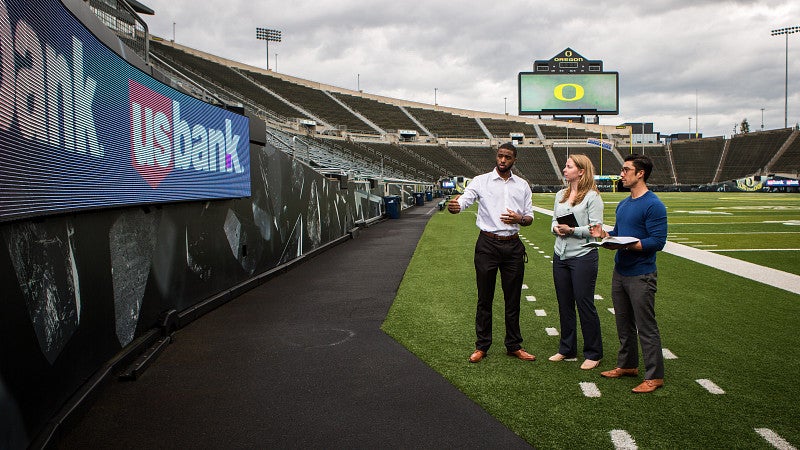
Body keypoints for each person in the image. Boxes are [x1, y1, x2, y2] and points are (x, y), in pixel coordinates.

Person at [447, 143, 536, 364]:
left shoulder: (522, 185)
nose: (503, 160)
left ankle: (513, 345)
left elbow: (529, 217)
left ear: (514, 159)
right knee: (484, 298)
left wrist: (519, 219)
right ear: (496, 157)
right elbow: (465, 199)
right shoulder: (481, 181)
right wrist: (456, 206)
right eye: (500, 156)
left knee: (512, 298)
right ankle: (482, 345)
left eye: (507, 157)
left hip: (513, 245)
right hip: (488, 244)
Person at [590, 154, 668, 394]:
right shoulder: (624, 204)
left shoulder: (654, 204)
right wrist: (606, 236)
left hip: (641, 274)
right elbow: (621, 233)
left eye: (626, 170)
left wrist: (625, 245)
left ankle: (654, 376)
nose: (621, 174)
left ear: (640, 173)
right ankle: (627, 365)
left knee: (646, 326)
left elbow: (657, 241)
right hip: (620, 271)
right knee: (623, 324)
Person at [549, 154, 604, 370]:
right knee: (564, 304)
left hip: (583, 256)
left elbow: (597, 229)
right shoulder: (560, 195)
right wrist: (555, 228)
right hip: (560, 255)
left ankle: (594, 352)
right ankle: (567, 348)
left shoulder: (592, 197)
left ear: (581, 171)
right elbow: (554, 220)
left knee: (584, 303)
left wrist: (573, 230)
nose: (564, 169)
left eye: (569, 166)